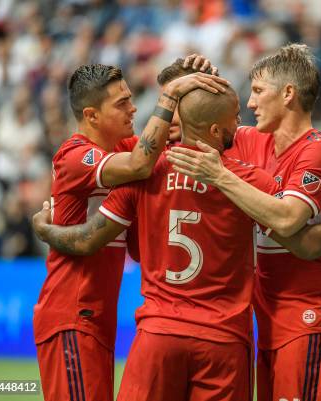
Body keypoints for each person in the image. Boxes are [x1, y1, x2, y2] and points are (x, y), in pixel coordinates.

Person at [33, 86, 321, 401]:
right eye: (235, 117)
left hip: (158, 334)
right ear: (217, 129)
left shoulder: (146, 173)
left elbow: (89, 238)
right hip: (223, 339)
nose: (240, 124)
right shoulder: (249, 182)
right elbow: (300, 241)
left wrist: (45, 230)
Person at [34, 61, 229, 401]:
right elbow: (143, 162)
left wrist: (188, 72)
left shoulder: (125, 148)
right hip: (71, 312)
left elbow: (166, 142)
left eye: (130, 98)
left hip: (96, 315)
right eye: (121, 103)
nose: (133, 107)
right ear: (92, 115)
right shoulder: (75, 155)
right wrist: (169, 96)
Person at [168, 43, 321, 401]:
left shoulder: (318, 151)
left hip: (310, 323)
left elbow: (287, 219)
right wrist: (186, 81)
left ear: (287, 94)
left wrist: (221, 177)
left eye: (257, 91)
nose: (249, 104)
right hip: (268, 324)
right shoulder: (253, 141)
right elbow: (192, 126)